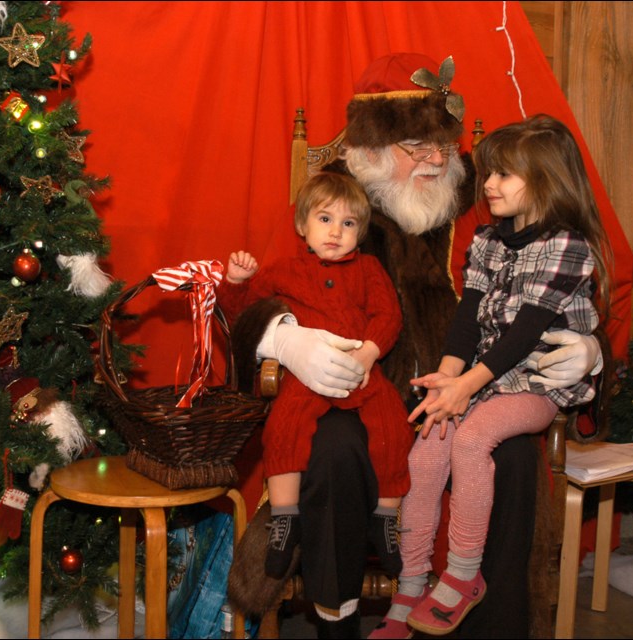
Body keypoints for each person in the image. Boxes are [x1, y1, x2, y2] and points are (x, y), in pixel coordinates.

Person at [231, 53, 603, 639]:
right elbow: (261, 293)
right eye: (416, 147)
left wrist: (590, 349)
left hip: (477, 391)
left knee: (511, 455)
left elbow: (549, 291)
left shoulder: (481, 209)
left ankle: (492, 628)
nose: (436, 161)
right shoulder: (333, 205)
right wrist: (286, 338)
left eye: (443, 146)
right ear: (375, 150)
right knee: (330, 448)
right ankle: (338, 623)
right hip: (356, 391)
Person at [371, 114, 612, 638]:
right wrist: (446, 380)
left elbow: (524, 335)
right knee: (428, 445)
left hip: (537, 383)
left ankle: (462, 576)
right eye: (488, 174)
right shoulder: (487, 240)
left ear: (546, 179)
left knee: (472, 439)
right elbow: (466, 319)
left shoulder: (567, 246)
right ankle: (412, 585)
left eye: (504, 175)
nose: (489, 186)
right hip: (483, 378)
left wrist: (465, 387)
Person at [218, 172, 413, 581]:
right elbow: (245, 317)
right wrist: (234, 283)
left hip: (360, 372)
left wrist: (368, 353)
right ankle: (285, 519)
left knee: (393, 428)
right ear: (302, 226)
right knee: (283, 427)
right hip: (305, 377)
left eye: (348, 224)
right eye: (325, 220)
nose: (335, 232)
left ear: (360, 234)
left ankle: (386, 518)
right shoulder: (281, 272)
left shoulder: (369, 269)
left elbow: (388, 314)